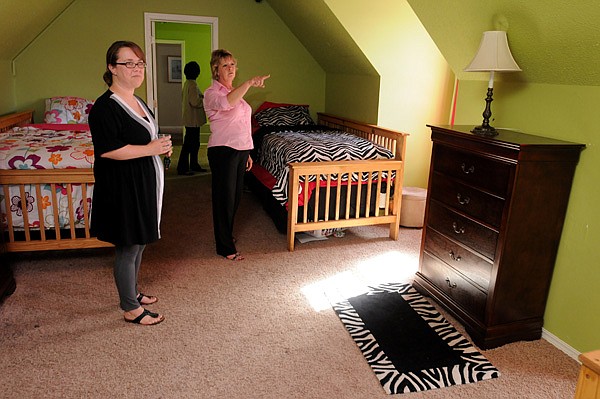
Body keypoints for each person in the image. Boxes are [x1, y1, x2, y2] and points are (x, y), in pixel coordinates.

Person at [89, 40, 172, 325]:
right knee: (129, 245)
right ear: (112, 68)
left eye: (140, 63)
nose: (137, 69)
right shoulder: (103, 108)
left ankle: (133, 292)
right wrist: (151, 149)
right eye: (129, 63)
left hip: (143, 184)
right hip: (122, 188)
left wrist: (159, 146)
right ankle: (130, 308)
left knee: (141, 241)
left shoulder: (138, 101)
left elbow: (144, 137)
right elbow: (108, 149)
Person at [203, 49, 270, 261]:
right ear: (216, 70)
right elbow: (226, 104)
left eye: (232, 64)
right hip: (223, 150)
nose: (231, 68)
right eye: (225, 65)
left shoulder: (236, 93)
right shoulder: (212, 93)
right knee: (224, 199)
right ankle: (224, 247)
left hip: (240, 151)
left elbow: (241, 125)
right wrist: (249, 83)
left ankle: (226, 236)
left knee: (235, 198)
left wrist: (248, 152)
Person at [177, 61, 207, 175]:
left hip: (190, 119)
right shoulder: (193, 84)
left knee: (193, 143)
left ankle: (193, 164)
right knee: (190, 144)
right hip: (193, 120)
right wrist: (205, 99)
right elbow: (195, 102)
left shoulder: (187, 84)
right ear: (197, 72)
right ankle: (183, 167)